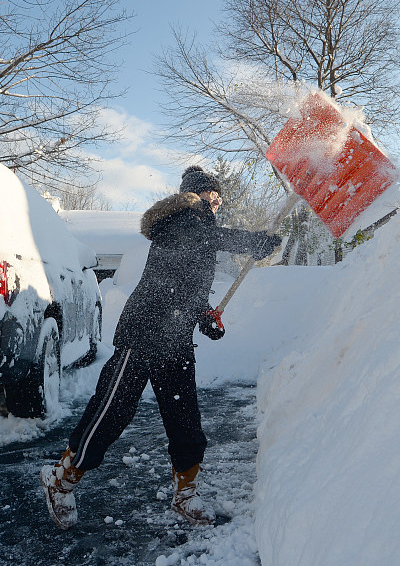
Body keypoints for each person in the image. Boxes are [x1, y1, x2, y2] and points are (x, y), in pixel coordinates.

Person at [40, 166, 281, 530]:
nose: (216, 202)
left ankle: (186, 491)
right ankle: (62, 479)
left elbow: (182, 282)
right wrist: (253, 241)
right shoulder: (180, 221)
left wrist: (202, 315)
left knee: (185, 419)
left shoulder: (200, 230)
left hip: (176, 337)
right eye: (211, 195)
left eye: (218, 198)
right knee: (112, 412)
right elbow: (201, 238)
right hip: (144, 334)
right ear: (194, 196)